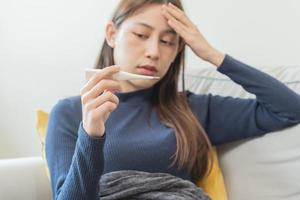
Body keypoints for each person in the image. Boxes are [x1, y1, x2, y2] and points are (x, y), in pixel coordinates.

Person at [45, 0, 300, 199]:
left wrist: (212, 55)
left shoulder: (192, 109)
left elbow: (291, 109)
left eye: (168, 41)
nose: (154, 52)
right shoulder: (70, 113)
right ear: (112, 34)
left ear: (178, 49)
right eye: (142, 35)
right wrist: (91, 136)